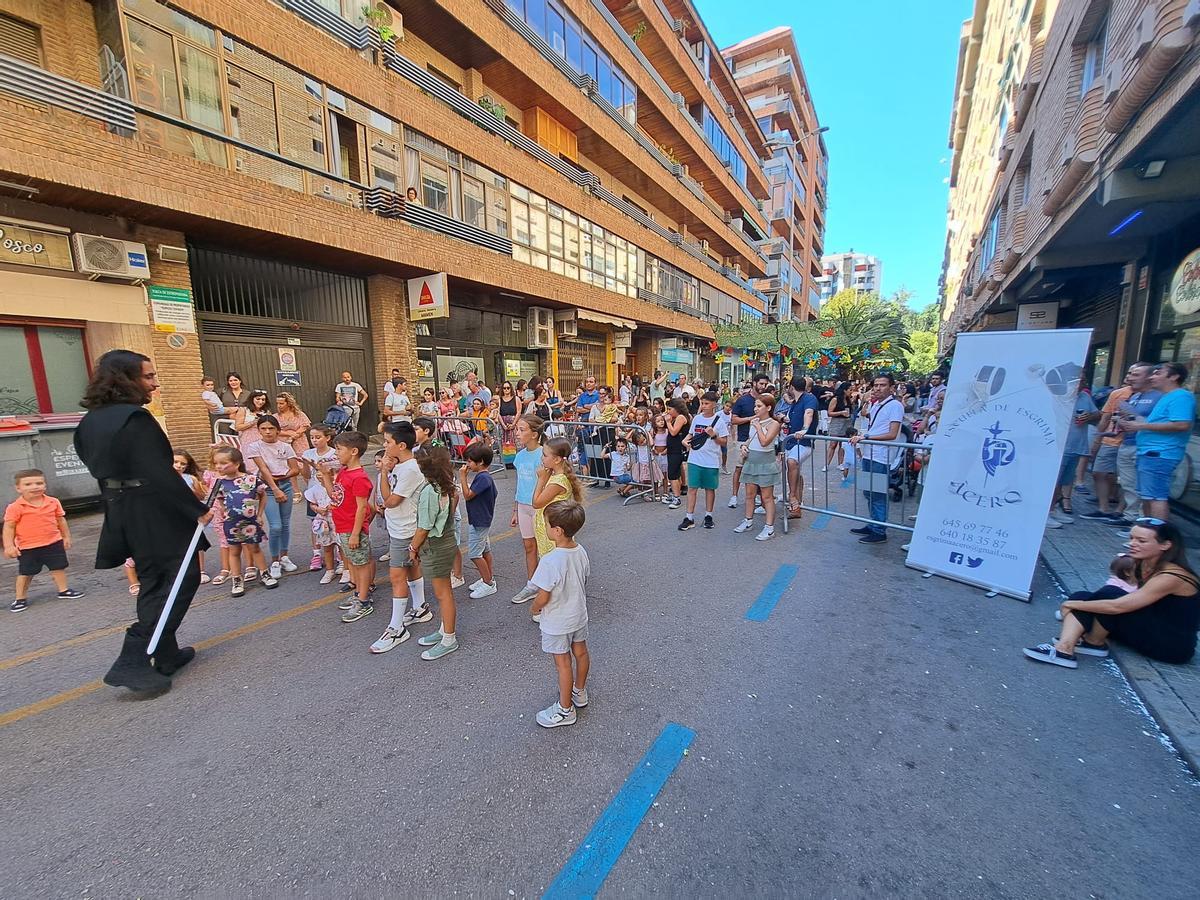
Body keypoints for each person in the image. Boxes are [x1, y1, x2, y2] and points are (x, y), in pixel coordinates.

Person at [75, 350, 210, 693]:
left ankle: (165, 653)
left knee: (155, 579)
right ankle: (132, 659)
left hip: (123, 507)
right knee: (180, 577)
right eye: (148, 377)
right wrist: (195, 509)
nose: (155, 383)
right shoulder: (134, 418)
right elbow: (158, 472)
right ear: (126, 379)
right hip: (153, 509)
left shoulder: (91, 419)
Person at [1023, 519, 1199, 668]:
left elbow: (1118, 606)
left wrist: (1070, 605)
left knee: (1104, 596)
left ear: (1165, 545)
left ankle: (1076, 646)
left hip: (1171, 646)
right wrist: (1080, 603)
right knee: (1082, 595)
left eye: (1141, 541)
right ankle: (1071, 646)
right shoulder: (1143, 563)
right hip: (1152, 626)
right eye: (1132, 538)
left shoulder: (1173, 575)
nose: (1132, 544)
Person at [530, 501, 591, 728]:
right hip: (578, 615)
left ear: (557, 531)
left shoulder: (549, 561)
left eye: (546, 524)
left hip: (557, 621)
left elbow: (543, 596)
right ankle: (580, 692)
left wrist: (534, 608)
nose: (544, 527)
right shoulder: (581, 551)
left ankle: (565, 710)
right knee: (581, 653)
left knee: (563, 664)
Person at [369, 422, 428, 653]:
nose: (384, 446)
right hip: (400, 527)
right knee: (411, 569)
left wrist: (383, 471)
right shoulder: (402, 466)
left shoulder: (410, 469)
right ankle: (421, 607)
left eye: (387, 442)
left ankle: (396, 628)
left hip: (406, 529)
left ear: (401, 445)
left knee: (396, 576)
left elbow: (390, 501)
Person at [1123, 362, 1196, 522]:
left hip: (1160, 453)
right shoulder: (1167, 397)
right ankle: (1148, 532)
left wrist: (1141, 425)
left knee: (1156, 497)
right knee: (1148, 496)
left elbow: (1182, 424)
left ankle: (1157, 537)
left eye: (1158, 373)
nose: (1152, 377)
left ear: (1174, 377)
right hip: (1150, 452)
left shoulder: (1181, 396)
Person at [4, 469, 85, 612]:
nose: (35, 487)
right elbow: (9, 527)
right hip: (28, 547)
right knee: (26, 573)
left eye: (39, 483)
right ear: (18, 488)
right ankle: (20, 598)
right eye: (28, 484)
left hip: (53, 543)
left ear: (45, 485)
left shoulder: (53, 502)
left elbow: (61, 520)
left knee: (58, 568)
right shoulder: (15, 507)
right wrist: (9, 546)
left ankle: (63, 590)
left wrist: (66, 537)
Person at [317, 431, 374, 623]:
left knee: (361, 564)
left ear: (354, 451)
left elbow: (362, 507)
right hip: (342, 526)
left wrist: (356, 534)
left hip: (353, 528)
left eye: (339, 449)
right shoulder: (343, 472)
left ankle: (364, 600)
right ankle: (359, 592)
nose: (336, 453)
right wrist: (325, 476)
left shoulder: (359, 477)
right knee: (353, 563)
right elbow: (334, 495)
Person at [412, 446, 462, 660]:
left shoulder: (430, 491)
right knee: (444, 592)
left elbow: (424, 526)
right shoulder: (446, 486)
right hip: (447, 538)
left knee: (443, 594)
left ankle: (449, 638)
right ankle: (444, 629)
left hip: (435, 543)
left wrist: (413, 548)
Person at [210, 446, 278, 598]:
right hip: (231, 523)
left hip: (250, 522)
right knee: (234, 551)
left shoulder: (252, 479)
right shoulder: (219, 483)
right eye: (216, 463)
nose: (218, 467)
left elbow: (263, 495)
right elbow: (219, 500)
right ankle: (236, 579)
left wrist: (259, 514)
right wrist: (224, 513)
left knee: (255, 548)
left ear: (237, 463)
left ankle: (264, 573)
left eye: (223, 463)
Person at [849, 373, 904, 544]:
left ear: (891, 387)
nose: (878, 388)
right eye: (876, 385)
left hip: (881, 457)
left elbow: (892, 434)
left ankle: (879, 530)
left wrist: (867, 438)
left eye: (882, 385)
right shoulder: (877, 404)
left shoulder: (895, 406)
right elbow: (870, 420)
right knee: (869, 492)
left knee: (878, 493)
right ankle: (873, 524)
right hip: (869, 453)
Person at [245, 415, 301, 578]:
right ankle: (275, 560)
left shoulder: (286, 446)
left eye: (271, 428)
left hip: (285, 486)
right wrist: (275, 489)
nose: (268, 432)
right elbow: (263, 469)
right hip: (268, 489)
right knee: (275, 525)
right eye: (264, 428)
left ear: (278, 430)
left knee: (285, 524)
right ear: (259, 430)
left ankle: (284, 556)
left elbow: (294, 469)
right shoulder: (255, 447)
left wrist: (282, 478)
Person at [1084, 370, 1135, 522]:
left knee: (1127, 480)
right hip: (1110, 441)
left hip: (1130, 442)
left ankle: (1120, 511)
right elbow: (1105, 416)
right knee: (1099, 473)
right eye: (1129, 373)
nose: (1129, 376)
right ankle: (1103, 508)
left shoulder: (1150, 397)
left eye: (1134, 373)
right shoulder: (1117, 393)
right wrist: (1097, 440)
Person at [732, 393, 780, 541]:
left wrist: (758, 426)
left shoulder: (774, 424)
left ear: (768, 407)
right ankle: (748, 521)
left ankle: (769, 527)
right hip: (751, 461)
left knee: (766, 497)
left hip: (766, 463)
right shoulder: (755, 421)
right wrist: (744, 447)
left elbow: (765, 442)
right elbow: (750, 439)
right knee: (749, 495)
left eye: (759, 406)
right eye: (755, 406)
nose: (755, 409)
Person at [679, 391, 728, 531]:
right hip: (695, 459)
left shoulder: (719, 421)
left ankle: (708, 515)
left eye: (707, 404)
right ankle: (689, 517)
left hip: (711, 460)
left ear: (714, 405)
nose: (704, 406)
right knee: (692, 488)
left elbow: (724, 442)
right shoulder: (697, 419)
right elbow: (691, 434)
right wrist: (685, 440)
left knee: (710, 489)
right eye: (702, 403)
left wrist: (714, 436)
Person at [511, 415, 545, 605]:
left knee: (545, 548)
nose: (517, 433)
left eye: (521, 429)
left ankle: (548, 585)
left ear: (534, 434)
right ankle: (532, 584)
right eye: (517, 429)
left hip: (539, 508)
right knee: (529, 546)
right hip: (523, 506)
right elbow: (519, 484)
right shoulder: (519, 456)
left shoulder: (543, 456)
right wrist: (515, 510)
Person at [460, 442, 498, 598]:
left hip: (480, 521)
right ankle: (487, 578)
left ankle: (488, 583)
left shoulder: (483, 478)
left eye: (469, 461)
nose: (467, 465)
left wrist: (462, 477)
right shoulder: (483, 477)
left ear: (480, 461)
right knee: (485, 550)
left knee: (475, 554)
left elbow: (468, 495)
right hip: (481, 519)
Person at [784, 375, 820, 521]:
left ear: (792, 387)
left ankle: (792, 496)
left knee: (792, 462)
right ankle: (796, 503)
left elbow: (808, 413)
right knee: (794, 469)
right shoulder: (795, 402)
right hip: (791, 442)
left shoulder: (809, 399)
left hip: (804, 442)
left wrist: (804, 429)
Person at [728, 376, 765, 510]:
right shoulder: (743, 400)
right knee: (739, 468)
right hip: (744, 439)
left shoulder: (765, 399)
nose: (763, 386)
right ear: (754, 383)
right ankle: (734, 496)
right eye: (761, 383)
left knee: (757, 471)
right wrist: (751, 418)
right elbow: (734, 420)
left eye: (765, 384)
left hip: (760, 439)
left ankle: (756, 496)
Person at [232, 391, 272, 473]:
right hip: (248, 440)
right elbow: (237, 427)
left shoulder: (266, 412)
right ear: (252, 399)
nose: (261, 402)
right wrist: (252, 423)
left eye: (263, 399)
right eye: (258, 399)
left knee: (266, 461)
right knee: (251, 462)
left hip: (263, 439)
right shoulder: (243, 410)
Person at [274, 393, 312, 471]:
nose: (279, 406)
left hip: (299, 441)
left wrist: (296, 434)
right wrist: (289, 433)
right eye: (277, 403)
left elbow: (305, 425)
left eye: (281, 403)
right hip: (283, 442)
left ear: (288, 403)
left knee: (303, 463)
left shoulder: (299, 414)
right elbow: (274, 430)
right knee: (287, 467)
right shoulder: (275, 416)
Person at [664, 399, 690, 510]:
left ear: (676, 409)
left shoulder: (681, 417)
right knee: (675, 472)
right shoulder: (679, 417)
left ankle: (676, 498)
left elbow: (674, 432)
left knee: (673, 474)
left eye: (670, 409)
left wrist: (668, 422)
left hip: (677, 449)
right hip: (673, 449)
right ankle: (676, 493)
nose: (668, 411)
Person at [824, 381, 852, 477]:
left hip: (846, 423)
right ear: (844, 390)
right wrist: (841, 412)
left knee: (843, 444)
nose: (851, 392)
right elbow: (829, 413)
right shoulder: (835, 399)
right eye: (849, 390)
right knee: (833, 444)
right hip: (836, 422)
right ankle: (827, 464)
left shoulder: (848, 399)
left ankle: (840, 463)